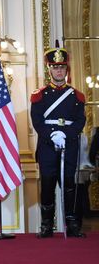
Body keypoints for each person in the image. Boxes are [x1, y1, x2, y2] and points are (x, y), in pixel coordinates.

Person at [30, 45, 86, 238]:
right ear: (49, 69)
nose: (59, 70)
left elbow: (80, 120)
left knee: (69, 186)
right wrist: (53, 134)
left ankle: (72, 225)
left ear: (66, 69)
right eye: (55, 67)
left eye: (62, 67)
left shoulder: (76, 96)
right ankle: (47, 225)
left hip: (69, 146)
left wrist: (66, 135)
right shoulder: (39, 95)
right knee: (47, 186)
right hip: (47, 147)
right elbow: (37, 121)